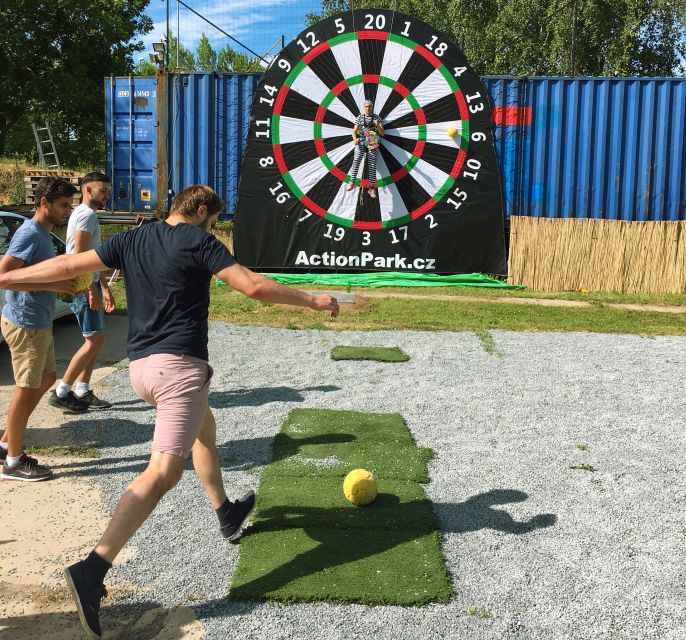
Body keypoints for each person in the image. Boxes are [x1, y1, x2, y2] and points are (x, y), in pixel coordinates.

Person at [0, 184, 340, 638]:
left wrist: (5, 278)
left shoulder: (135, 237)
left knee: (205, 430)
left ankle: (226, 511)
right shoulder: (200, 241)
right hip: (178, 370)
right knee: (163, 473)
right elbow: (253, 286)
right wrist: (315, 300)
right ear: (201, 211)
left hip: (142, 370)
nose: (213, 227)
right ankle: (92, 569)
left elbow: (65, 265)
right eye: (213, 219)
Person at [0, 177, 78, 481]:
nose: (67, 211)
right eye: (62, 205)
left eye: (70, 205)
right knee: (26, 390)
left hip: (40, 322)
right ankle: (14, 462)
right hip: (26, 324)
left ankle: (8, 441)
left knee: (46, 379)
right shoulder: (30, 233)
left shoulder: (44, 234)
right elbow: (4, 277)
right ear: (44, 203)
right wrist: (54, 284)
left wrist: (62, 285)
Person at [49, 172, 115, 413]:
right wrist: (91, 289)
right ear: (88, 190)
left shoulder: (86, 214)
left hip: (90, 283)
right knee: (93, 339)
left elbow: (95, 258)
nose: (106, 194)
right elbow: (80, 256)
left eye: (107, 190)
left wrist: (104, 287)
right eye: (103, 190)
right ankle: (62, 391)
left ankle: (83, 390)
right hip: (83, 286)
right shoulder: (86, 215)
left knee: (95, 339)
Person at [346, 99, 384, 199]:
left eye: (369, 106)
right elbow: (354, 131)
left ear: (372, 107)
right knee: (357, 159)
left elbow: (382, 133)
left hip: (372, 141)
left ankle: (372, 188)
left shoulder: (377, 118)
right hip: (361, 140)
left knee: (372, 164)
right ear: (364, 108)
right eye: (366, 107)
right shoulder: (359, 118)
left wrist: (377, 125)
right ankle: (352, 181)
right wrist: (354, 139)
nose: (368, 108)